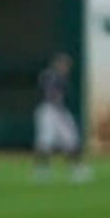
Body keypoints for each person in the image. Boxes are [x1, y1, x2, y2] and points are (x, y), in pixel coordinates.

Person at [34, 52, 89, 182]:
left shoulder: (54, 76)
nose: (66, 67)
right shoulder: (52, 76)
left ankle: (76, 169)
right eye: (64, 64)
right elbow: (50, 92)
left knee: (70, 139)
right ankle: (42, 170)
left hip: (56, 110)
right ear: (57, 63)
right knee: (46, 140)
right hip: (50, 110)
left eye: (67, 65)